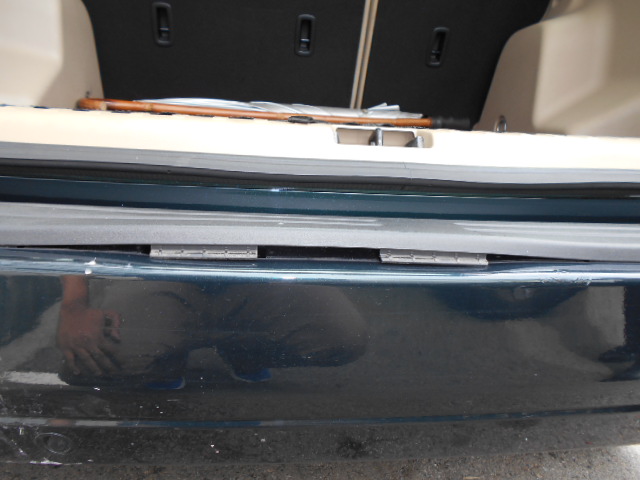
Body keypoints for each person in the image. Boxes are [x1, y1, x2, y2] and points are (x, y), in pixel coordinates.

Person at [57, 275, 368, 387]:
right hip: (154, 274)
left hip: (262, 276)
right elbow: (74, 207)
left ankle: (244, 348)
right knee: (89, 360)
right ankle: (166, 358)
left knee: (343, 336)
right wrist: (73, 305)